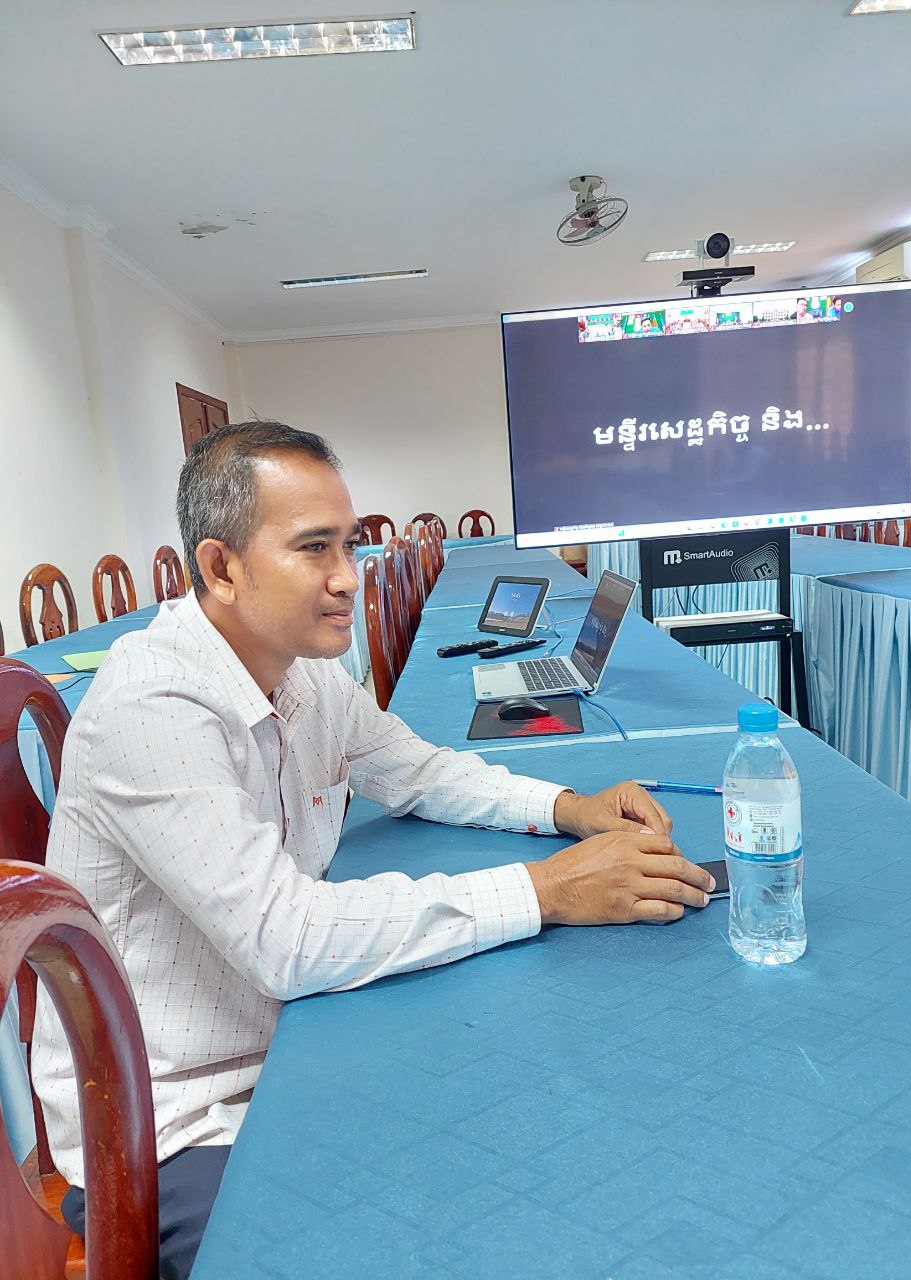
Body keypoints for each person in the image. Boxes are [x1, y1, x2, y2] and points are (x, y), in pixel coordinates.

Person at [32, 421, 714, 1279]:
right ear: (220, 567)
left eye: (350, 544)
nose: (348, 577)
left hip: (292, 1040)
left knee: (507, 1142)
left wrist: (568, 808)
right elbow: (287, 940)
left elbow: (418, 770)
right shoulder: (153, 708)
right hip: (176, 1120)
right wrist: (545, 891)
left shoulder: (301, 670)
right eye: (314, 548)